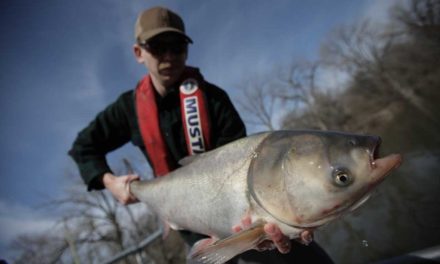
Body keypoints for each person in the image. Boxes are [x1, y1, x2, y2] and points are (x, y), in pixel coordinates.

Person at [69, 6, 333, 263]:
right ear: (139, 52)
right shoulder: (127, 109)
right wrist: (109, 181)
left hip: (239, 216)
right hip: (188, 227)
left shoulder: (214, 99)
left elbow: (241, 167)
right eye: (159, 47)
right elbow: (83, 147)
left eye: (177, 46)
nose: (170, 56)